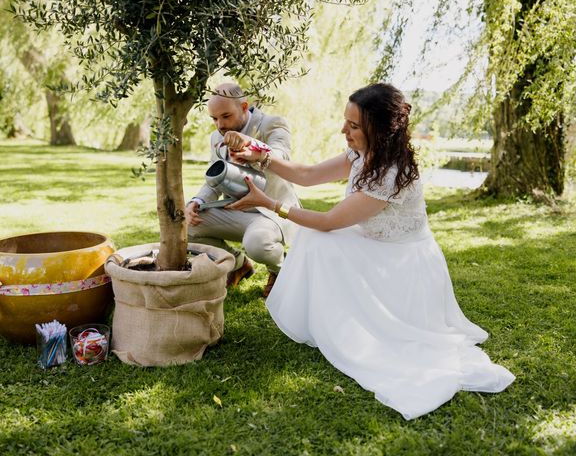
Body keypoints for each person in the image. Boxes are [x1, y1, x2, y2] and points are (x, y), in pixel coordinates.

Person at [225, 83, 515, 419]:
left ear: (377, 129)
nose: (343, 131)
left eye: (353, 126)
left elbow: (329, 221)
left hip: (402, 265)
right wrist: (262, 156)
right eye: (345, 122)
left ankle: (345, 326)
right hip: (373, 245)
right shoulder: (362, 153)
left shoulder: (391, 174)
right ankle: (326, 321)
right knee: (313, 241)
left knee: (317, 237)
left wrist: (270, 204)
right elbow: (307, 175)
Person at [185, 82, 300, 297]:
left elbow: (281, 155)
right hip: (235, 210)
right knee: (186, 224)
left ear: (244, 107)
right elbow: (214, 178)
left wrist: (252, 147)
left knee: (257, 243)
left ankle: (280, 271)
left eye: (226, 116)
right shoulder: (216, 137)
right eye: (214, 119)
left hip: (271, 212)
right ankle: (238, 264)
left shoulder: (272, 124)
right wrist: (196, 202)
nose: (220, 125)